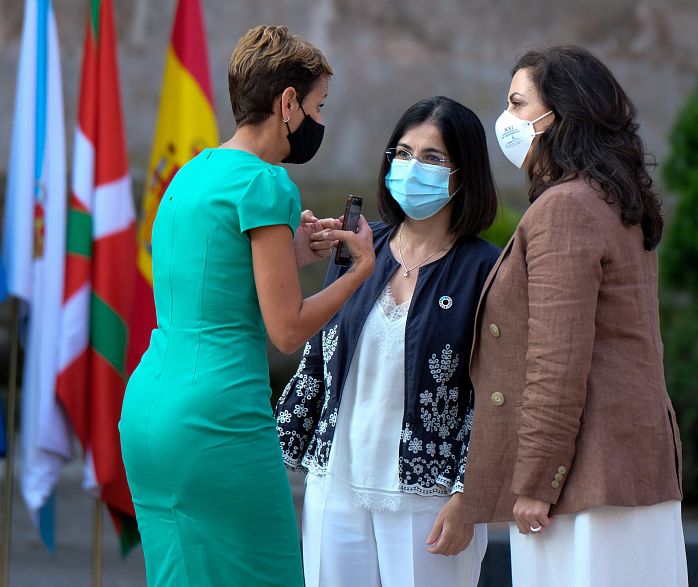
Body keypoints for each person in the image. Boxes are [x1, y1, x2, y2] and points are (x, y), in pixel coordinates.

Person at [118, 25, 375, 587]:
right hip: (219, 418)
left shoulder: (191, 172)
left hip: (147, 413)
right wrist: (359, 273)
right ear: (288, 103)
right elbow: (287, 329)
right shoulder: (268, 183)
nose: (319, 120)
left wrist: (292, 250)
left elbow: (212, 275)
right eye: (319, 106)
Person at [462, 46, 689, 587]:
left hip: (584, 484)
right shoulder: (613, 202)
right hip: (628, 470)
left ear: (560, 115)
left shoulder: (565, 208)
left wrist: (537, 479)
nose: (506, 120)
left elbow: (557, 362)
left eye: (518, 104)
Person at [276, 96, 500, 587]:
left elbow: (496, 394)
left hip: (429, 496)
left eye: (432, 157)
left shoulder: (487, 269)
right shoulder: (359, 247)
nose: (411, 167)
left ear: (463, 174)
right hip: (336, 482)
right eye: (402, 153)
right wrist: (273, 454)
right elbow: (316, 362)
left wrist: (469, 496)